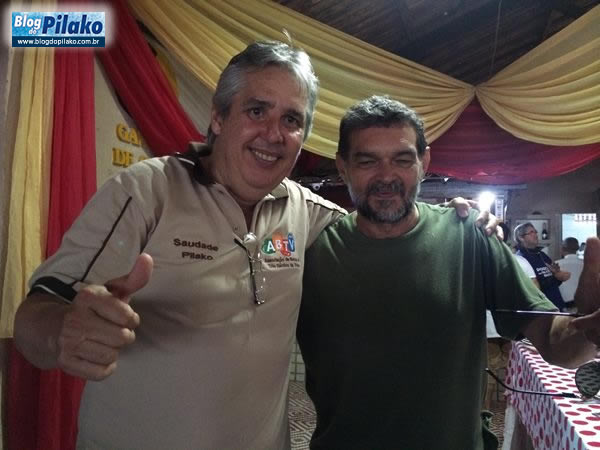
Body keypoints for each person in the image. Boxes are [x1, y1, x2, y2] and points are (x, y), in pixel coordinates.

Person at [12, 43, 491, 449]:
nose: (273, 134)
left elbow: (384, 220)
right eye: (257, 111)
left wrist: (453, 214)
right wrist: (62, 331)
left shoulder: (304, 210)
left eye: (292, 119)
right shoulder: (146, 191)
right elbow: (37, 312)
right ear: (219, 116)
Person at [296, 95, 600, 450]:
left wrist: (589, 328)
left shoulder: (469, 235)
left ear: (424, 162)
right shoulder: (312, 246)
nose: (386, 176)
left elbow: (553, 342)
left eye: (402, 159)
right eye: (367, 161)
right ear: (343, 167)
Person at [514, 222, 570, 310]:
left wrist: (557, 273)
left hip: (557, 303)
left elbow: (556, 277)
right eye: (531, 232)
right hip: (542, 307)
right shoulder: (520, 258)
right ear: (521, 238)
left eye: (536, 232)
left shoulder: (541, 254)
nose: (536, 235)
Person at [557, 237, 584, 308]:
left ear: (562, 249)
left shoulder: (556, 265)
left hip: (563, 305)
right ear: (578, 248)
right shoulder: (586, 264)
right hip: (584, 304)